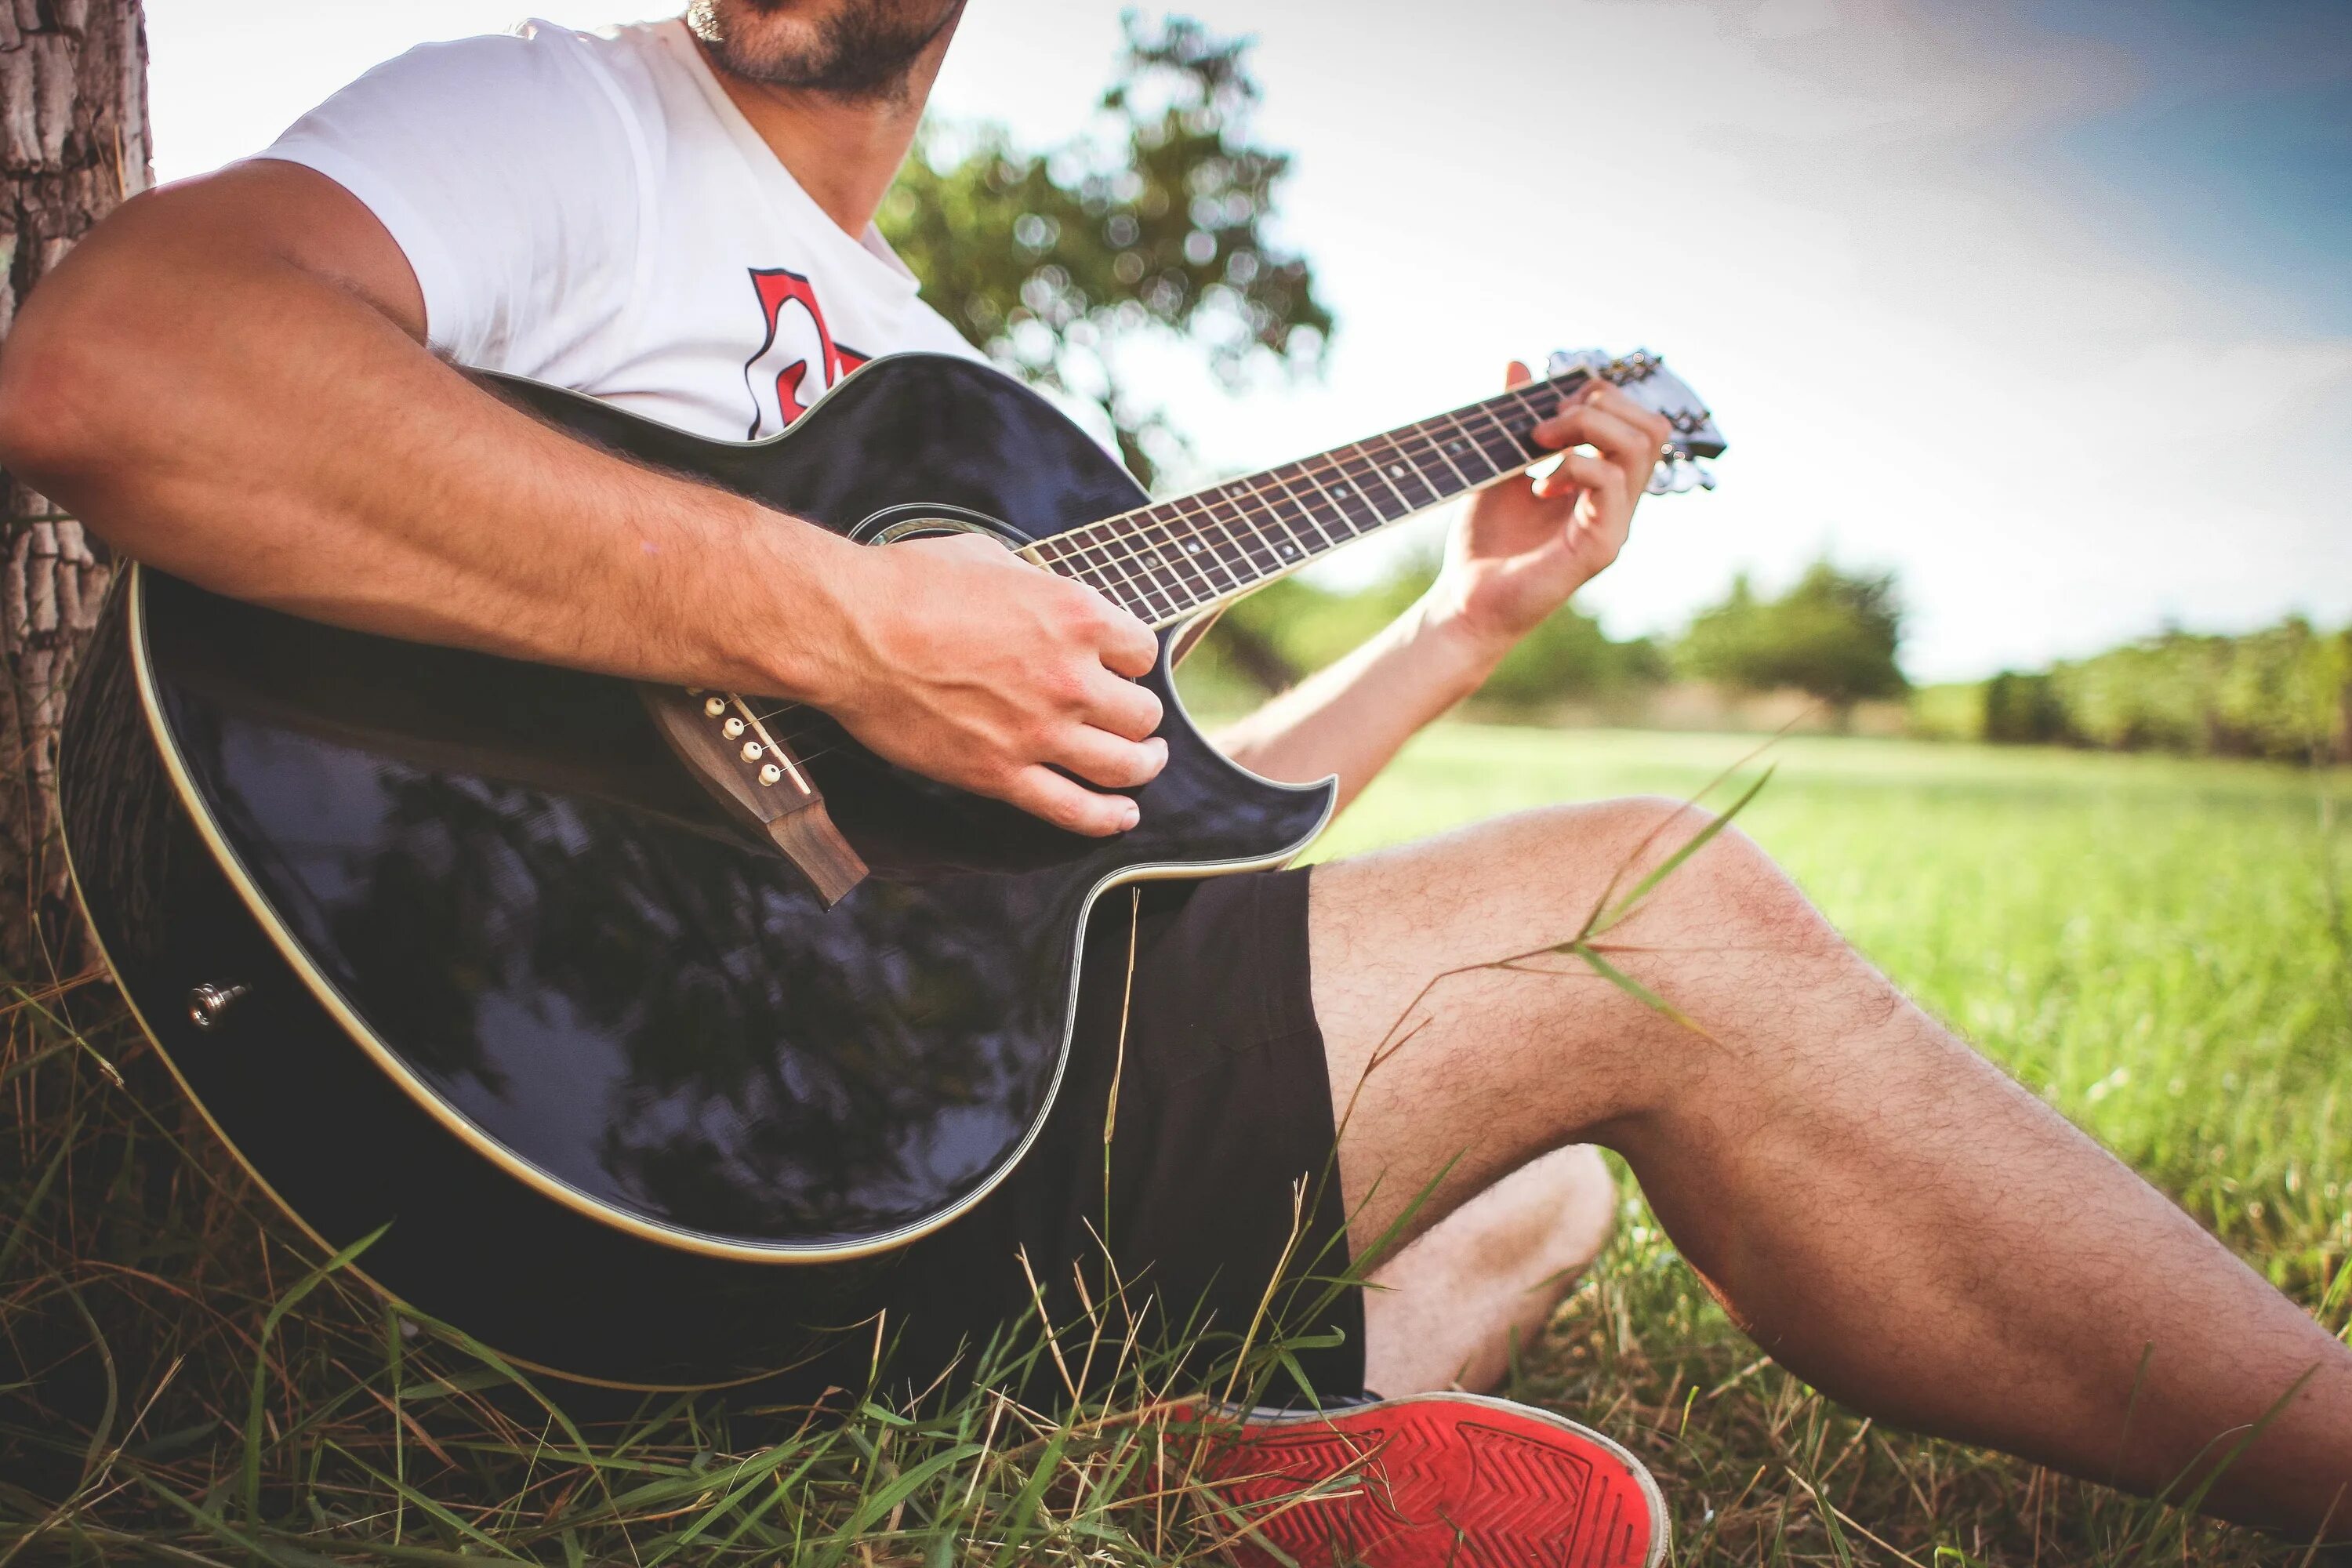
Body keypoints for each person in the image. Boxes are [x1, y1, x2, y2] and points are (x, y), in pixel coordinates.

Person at [1, 2, 2347, 1562]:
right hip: (574, 1087)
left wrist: (1462, 628)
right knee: (1658, 903)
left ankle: (1147, 1485)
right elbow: (125, 366)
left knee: (1538, 1201)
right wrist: (839, 625)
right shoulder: (562, 121)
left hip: (889, 1134)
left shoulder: (956, 398)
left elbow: (1138, 880)